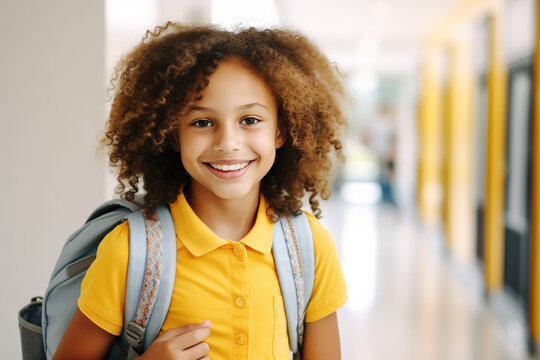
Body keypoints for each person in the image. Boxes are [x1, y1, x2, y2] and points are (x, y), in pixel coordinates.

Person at [54, 22, 348, 360]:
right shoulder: (130, 251)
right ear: (173, 134)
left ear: (281, 131)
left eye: (250, 120)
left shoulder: (309, 247)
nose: (228, 143)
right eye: (202, 122)